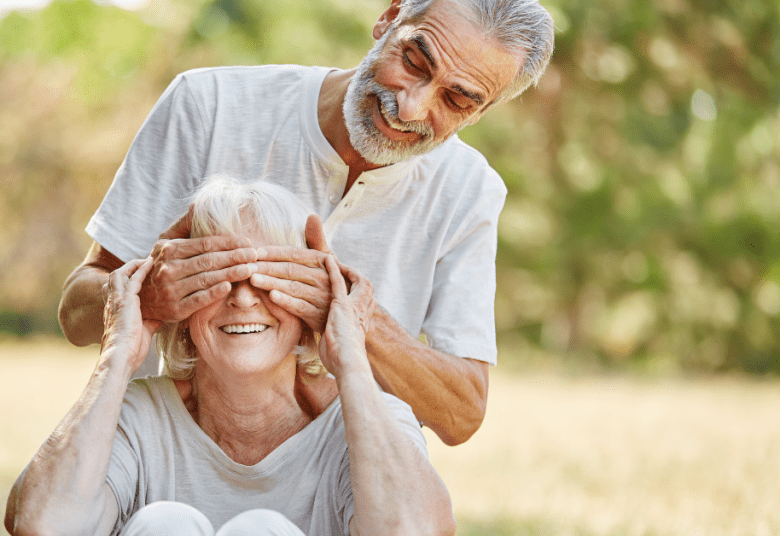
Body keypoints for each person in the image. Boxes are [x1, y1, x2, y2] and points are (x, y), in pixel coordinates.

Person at [57, 0, 555, 445]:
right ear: (389, 16)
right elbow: (75, 312)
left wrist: (356, 319)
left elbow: (461, 412)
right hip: (173, 462)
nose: (410, 106)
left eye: (458, 100)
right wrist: (141, 295)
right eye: (413, 61)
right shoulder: (206, 105)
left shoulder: (470, 190)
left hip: (347, 490)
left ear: (482, 111)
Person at [5, 178, 455, 536]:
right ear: (179, 305)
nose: (242, 299)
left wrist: (352, 359)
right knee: (166, 525)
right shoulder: (138, 417)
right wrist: (118, 354)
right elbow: (43, 524)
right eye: (216, 276)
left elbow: (415, 530)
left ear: (310, 305)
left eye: (267, 279)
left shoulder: (370, 421)